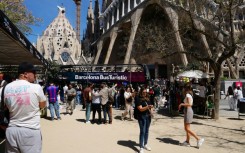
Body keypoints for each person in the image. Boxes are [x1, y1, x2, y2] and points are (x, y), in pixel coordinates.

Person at [3, 62, 46, 153]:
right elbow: (43, 105)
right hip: (30, 130)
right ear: (25, 74)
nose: (35, 75)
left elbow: (6, 106)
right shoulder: (36, 87)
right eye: (33, 72)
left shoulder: (7, 87)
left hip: (11, 131)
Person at [135, 87, 154, 153]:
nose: (145, 93)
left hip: (148, 116)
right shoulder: (138, 98)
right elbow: (140, 109)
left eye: (146, 92)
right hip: (141, 117)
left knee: (146, 131)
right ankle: (141, 147)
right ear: (141, 92)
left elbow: (152, 106)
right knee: (142, 131)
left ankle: (145, 144)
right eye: (143, 92)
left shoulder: (148, 98)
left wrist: (151, 110)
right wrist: (147, 107)